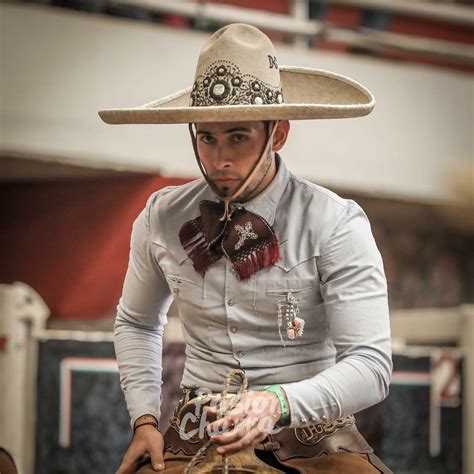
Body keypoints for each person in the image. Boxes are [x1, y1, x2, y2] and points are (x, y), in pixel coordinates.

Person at [99, 23, 393, 474]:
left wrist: (276, 403)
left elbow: (371, 365)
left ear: (277, 134)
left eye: (238, 137)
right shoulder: (160, 216)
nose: (220, 161)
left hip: (315, 438)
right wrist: (144, 418)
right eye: (207, 138)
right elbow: (137, 321)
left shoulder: (335, 222)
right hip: (198, 431)